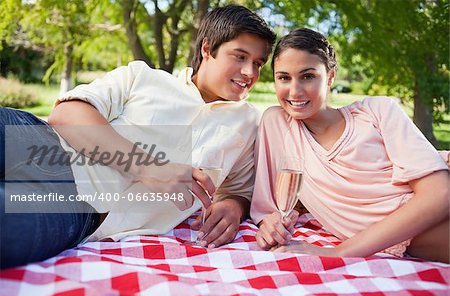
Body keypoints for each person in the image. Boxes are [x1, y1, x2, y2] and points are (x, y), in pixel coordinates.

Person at [0, 5, 276, 269]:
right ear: (207, 48)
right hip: (35, 140)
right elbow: (67, 115)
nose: (250, 73)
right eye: (239, 57)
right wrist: (148, 167)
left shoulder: (249, 122)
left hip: (75, 208)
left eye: (258, 63)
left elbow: (240, 189)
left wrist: (234, 206)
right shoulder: (142, 76)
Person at [250, 28, 449, 263]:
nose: (295, 91)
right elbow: (267, 204)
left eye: (308, 76)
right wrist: (269, 223)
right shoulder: (277, 124)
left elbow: (441, 193)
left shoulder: (377, 111)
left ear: (331, 76)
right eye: (284, 77)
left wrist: (341, 252)